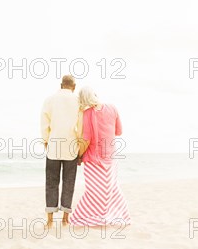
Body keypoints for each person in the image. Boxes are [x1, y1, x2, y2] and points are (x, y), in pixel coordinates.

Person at [69, 87, 131, 226]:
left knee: (93, 190)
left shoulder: (87, 114)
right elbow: (119, 131)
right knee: (112, 189)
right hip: (110, 157)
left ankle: (83, 217)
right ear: (95, 95)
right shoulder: (113, 108)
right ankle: (121, 216)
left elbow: (86, 139)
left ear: (83, 100)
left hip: (93, 160)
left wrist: (78, 156)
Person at [41, 75, 82, 227]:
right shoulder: (78, 101)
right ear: (74, 86)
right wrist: (79, 147)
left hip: (54, 146)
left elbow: (44, 122)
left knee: (51, 182)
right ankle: (65, 219)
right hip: (71, 147)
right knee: (68, 182)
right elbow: (81, 127)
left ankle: (50, 220)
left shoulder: (49, 100)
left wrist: (46, 140)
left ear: (60, 85)